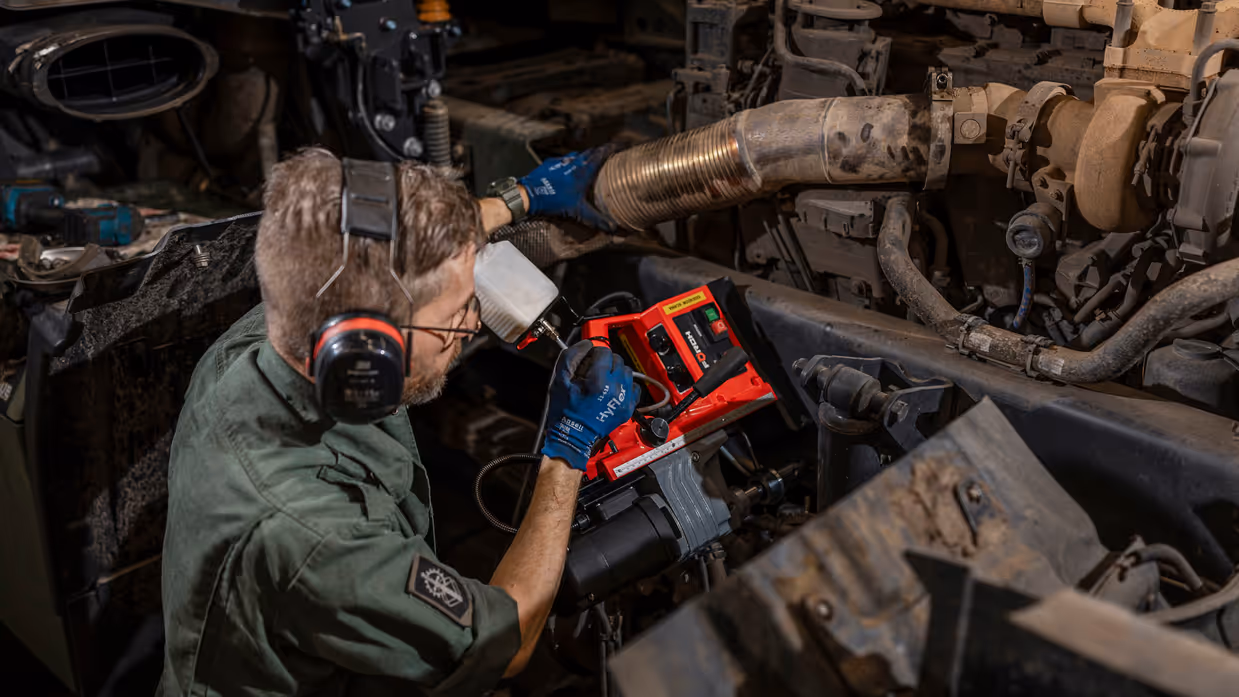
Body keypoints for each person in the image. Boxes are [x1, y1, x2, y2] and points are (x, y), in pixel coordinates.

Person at [158, 147, 635, 696]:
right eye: (455, 315)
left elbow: (367, 241)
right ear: (369, 349)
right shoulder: (319, 540)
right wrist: (567, 451)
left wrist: (517, 198)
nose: (473, 320)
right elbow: (511, 635)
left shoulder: (279, 328)